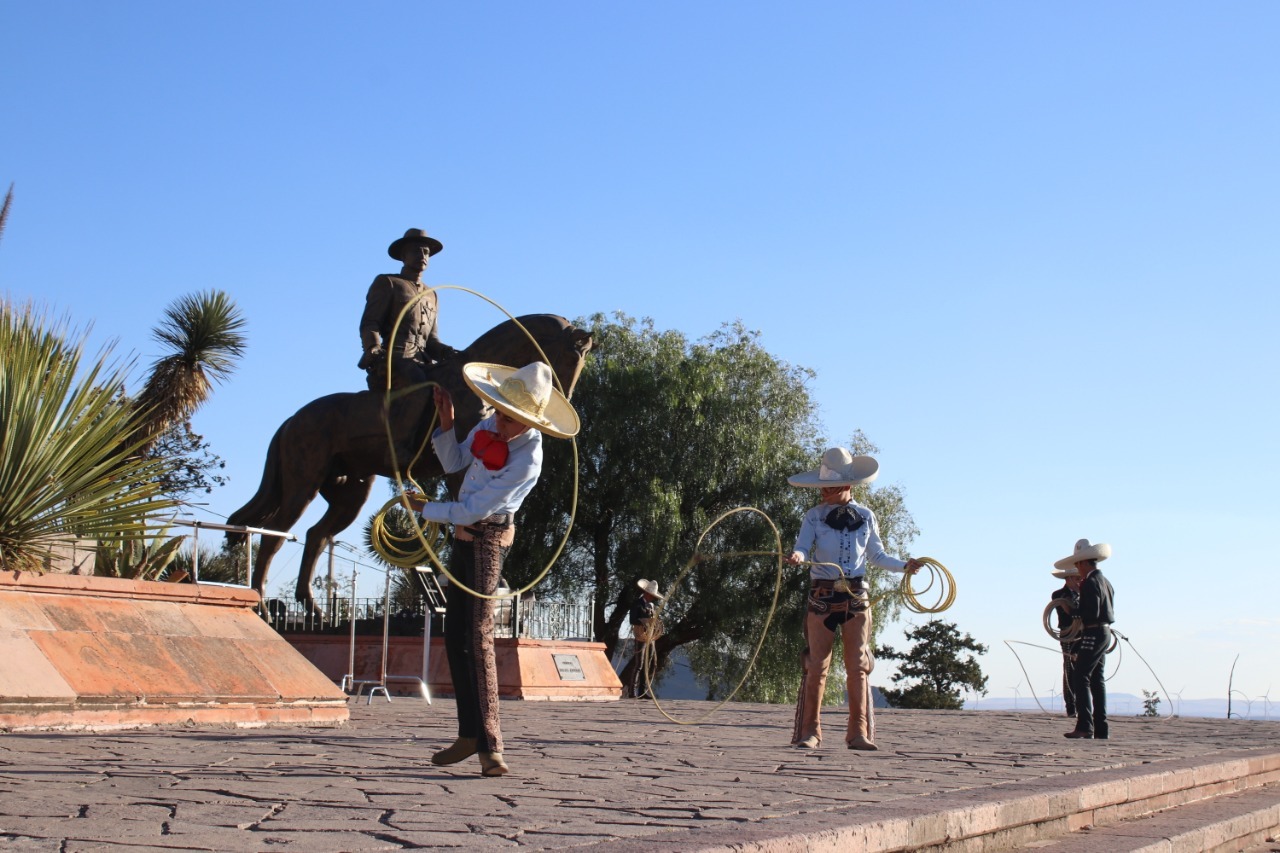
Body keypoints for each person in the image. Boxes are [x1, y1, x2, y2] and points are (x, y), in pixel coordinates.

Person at [404, 360, 579, 776]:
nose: (498, 422)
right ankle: (469, 734)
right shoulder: (488, 427)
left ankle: (491, 745)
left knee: (479, 635)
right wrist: (447, 423)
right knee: (455, 633)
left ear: (529, 421)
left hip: (487, 541)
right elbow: (454, 462)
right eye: (499, 411)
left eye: (509, 418)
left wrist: (426, 509)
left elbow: (476, 508)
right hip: (464, 536)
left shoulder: (528, 460)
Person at [785, 447, 922, 751]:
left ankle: (858, 732)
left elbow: (876, 555)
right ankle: (810, 732)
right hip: (822, 595)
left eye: (829, 488)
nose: (823, 494)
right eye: (822, 488)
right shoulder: (814, 517)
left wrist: (904, 567)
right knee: (817, 665)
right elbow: (803, 548)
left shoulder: (866, 516)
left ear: (846, 486)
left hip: (856, 597)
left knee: (857, 665)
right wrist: (796, 556)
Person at [357, 228, 457, 392]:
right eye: (417, 251)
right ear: (404, 256)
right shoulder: (389, 282)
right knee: (418, 385)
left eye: (426, 252)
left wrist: (446, 351)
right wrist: (373, 348)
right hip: (395, 359)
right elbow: (370, 323)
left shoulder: (432, 295)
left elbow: (431, 340)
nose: (423, 256)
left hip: (423, 362)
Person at [1055, 538, 1115, 740]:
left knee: (1080, 676)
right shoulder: (1105, 581)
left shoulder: (1091, 582)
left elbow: (1090, 612)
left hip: (1093, 632)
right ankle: (1101, 728)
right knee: (1097, 679)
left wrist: (1070, 610)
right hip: (1104, 632)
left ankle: (1085, 725)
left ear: (1083, 563)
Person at [1049, 567, 1081, 717]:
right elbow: (1068, 611)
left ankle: (1081, 704)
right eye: (1076, 579)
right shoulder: (1059, 595)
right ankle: (1071, 706)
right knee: (1069, 668)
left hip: (1082, 633)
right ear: (1068, 579)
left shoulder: (1084, 594)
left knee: (1082, 669)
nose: (1079, 581)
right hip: (1068, 634)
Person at [627, 579, 664, 698]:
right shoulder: (637, 604)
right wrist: (644, 621)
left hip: (651, 637)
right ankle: (632, 692)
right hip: (641, 636)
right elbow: (632, 620)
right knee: (639, 664)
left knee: (650, 663)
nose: (653, 598)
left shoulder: (651, 606)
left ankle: (642, 691)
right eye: (652, 596)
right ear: (647, 594)